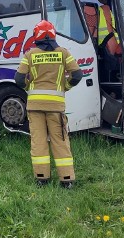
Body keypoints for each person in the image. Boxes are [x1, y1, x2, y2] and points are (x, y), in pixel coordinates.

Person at [14, 20, 83, 188]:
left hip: (35, 106)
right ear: (53, 34)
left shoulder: (30, 54)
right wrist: (64, 87)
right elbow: (77, 75)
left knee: (38, 142)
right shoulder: (64, 53)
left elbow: (19, 79)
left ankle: (41, 178)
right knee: (60, 141)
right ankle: (67, 180)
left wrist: (30, 87)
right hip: (56, 108)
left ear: (36, 36)